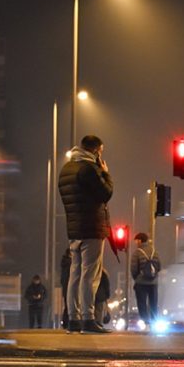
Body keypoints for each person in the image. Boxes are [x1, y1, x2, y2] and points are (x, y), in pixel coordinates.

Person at [59, 134, 113, 334]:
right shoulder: (89, 169)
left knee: (75, 273)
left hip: (74, 228)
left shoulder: (66, 169)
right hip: (92, 227)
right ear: (96, 150)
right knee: (90, 274)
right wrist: (105, 173)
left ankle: (73, 319)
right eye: (101, 151)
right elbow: (106, 193)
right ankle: (88, 319)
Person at [130, 232, 161, 327]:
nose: (136, 243)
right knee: (153, 303)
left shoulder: (137, 253)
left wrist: (137, 278)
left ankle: (146, 322)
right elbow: (159, 266)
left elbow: (133, 269)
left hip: (141, 283)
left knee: (142, 303)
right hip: (153, 282)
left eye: (136, 241)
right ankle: (154, 322)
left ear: (139, 240)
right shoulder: (154, 251)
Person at [59, 247, 71, 328]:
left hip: (66, 288)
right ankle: (67, 323)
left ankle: (66, 323)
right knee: (70, 306)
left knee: (68, 305)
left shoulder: (64, 264)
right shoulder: (70, 263)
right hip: (69, 287)